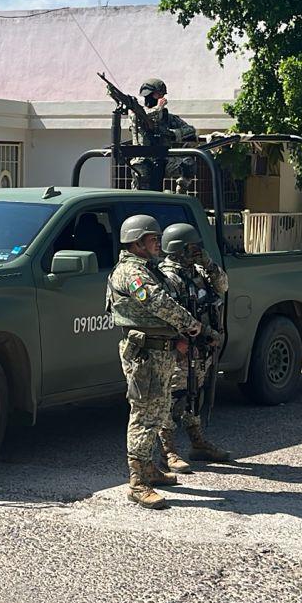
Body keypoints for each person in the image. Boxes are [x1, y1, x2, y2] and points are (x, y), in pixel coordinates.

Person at [107, 213, 204, 510]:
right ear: (137, 242)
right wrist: (190, 324)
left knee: (159, 411)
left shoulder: (147, 268)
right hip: (144, 355)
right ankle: (137, 483)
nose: (158, 243)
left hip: (159, 351)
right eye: (153, 239)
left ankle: (149, 468)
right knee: (144, 415)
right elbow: (157, 302)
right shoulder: (131, 272)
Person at [157, 222, 233, 472]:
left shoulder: (199, 271)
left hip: (201, 346)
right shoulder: (167, 277)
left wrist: (209, 264)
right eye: (192, 247)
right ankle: (168, 452)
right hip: (180, 348)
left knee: (194, 393)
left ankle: (198, 443)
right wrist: (178, 342)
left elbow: (223, 286)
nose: (197, 250)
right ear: (179, 249)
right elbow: (166, 315)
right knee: (172, 397)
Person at [128, 78, 197, 192]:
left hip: (163, 160)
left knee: (188, 163)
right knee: (143, 194)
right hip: (143, 161)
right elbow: (142, 116)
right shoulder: (135, 112)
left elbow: (190, 130)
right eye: (159, 95)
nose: (162, 98)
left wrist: (172, 134)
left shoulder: (166, 117)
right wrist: (158, 108)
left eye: (162, 95)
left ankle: (181, 191)